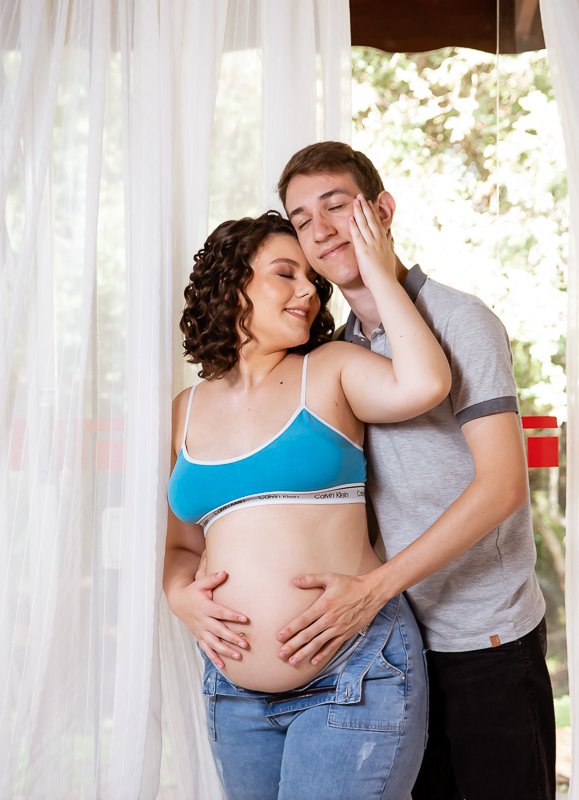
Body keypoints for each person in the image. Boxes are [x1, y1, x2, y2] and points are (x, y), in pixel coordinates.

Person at [272, 142, 557, 800]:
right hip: (397, 648)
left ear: (382, 209)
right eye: (301, 218)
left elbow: (503, 486)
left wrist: (373, 589)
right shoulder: (337, 354)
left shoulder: (462, 321)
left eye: (336, 205)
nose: (320, 229)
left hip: (487, 636)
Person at [163, 204, 450, 799]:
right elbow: (183, 542)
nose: (309, 293)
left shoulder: (332, 369)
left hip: (355, 671)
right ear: (231, 283)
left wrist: (378, 273)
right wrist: (177, 595)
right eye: (284, 274)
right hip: (232, 694)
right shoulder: (184, 410)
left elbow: (426, 383)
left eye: (313, 281)